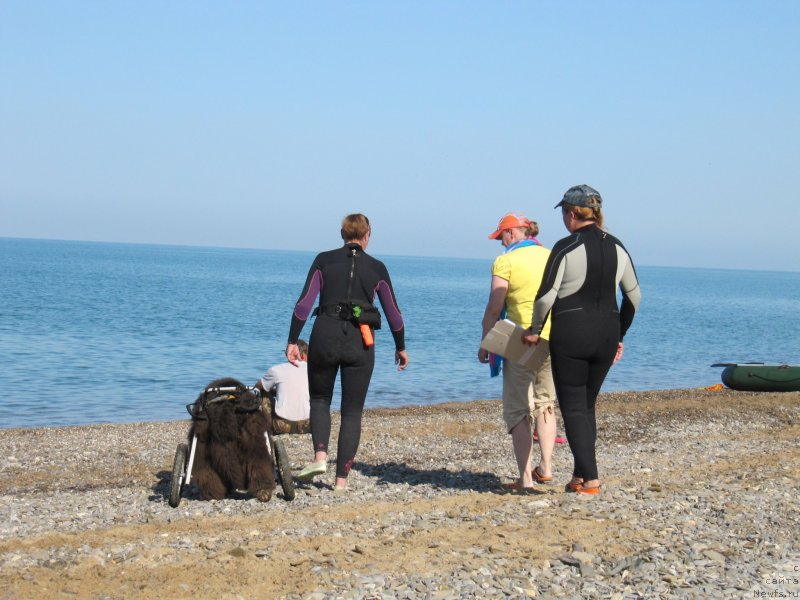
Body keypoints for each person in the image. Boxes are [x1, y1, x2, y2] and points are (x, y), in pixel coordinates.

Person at [522, 185, 641, 495]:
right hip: (606, 333)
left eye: (564, 213)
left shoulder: (566, 246)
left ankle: (591, 479)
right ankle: (579, 475)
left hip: (571, 332)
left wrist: (535, 329)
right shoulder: (618, 246)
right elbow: (635, 297)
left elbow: (545, 297)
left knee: (574, 405)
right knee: (586, 405)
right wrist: (620, 333)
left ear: (571, 214)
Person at [287, 214, 409, 493]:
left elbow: (304, 305)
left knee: (319, 399)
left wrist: (293, 340)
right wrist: (400, 347)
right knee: (352, 411)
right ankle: (341, 481)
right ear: (367, 236)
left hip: (324, 335)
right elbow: (395, 315)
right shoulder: (377, 268)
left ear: (342, 234)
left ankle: (320, 456)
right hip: (360, 341)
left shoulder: (324, 260)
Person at [479, 212, 557, 491]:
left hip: (520, 339)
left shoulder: (506, 260)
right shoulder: (552, 256)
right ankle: (546, 468)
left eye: (501, 236)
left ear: (512, 233)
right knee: (545, 403)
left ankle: (525, 478)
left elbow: (494, 305)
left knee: (518, 409)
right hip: (553, 338)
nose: (501, 242)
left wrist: (486, 341)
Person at [255, 339, 311, 435]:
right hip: (307, 426)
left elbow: (258, 386)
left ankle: (268, 430)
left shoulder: (276, 369)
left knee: (264, 392)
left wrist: (273, 391)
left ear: (288, 353)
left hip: (282, 426)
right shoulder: (313, 371)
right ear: (305, 354)